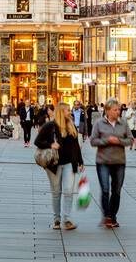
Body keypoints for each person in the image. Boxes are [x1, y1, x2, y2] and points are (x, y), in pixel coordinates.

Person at [34, 101, 83, 230]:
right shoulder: (49, 126)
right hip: (54, 164)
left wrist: (80, 161)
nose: (70, 112)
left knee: (68, 191)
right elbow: (37, 141)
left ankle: (67, 219)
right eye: (68, 110)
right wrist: (50, 144)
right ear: (61, 112)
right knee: (56, 192)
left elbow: (76, 146)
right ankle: (56, 219)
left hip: (69, 163)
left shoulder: (71, 126)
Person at [90, 98, 131, 228]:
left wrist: (119, 141)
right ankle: (107, 216)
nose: (117, 112)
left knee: (117, 191)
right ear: (107, 110)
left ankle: (113, 216)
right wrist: (106, 141)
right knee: (106, 190)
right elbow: (93, 141)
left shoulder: (123, 123)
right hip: (103, 161)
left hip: (119, 161)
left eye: (119, 109)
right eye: (115, 109)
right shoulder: (99, 123)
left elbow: (130, 139)